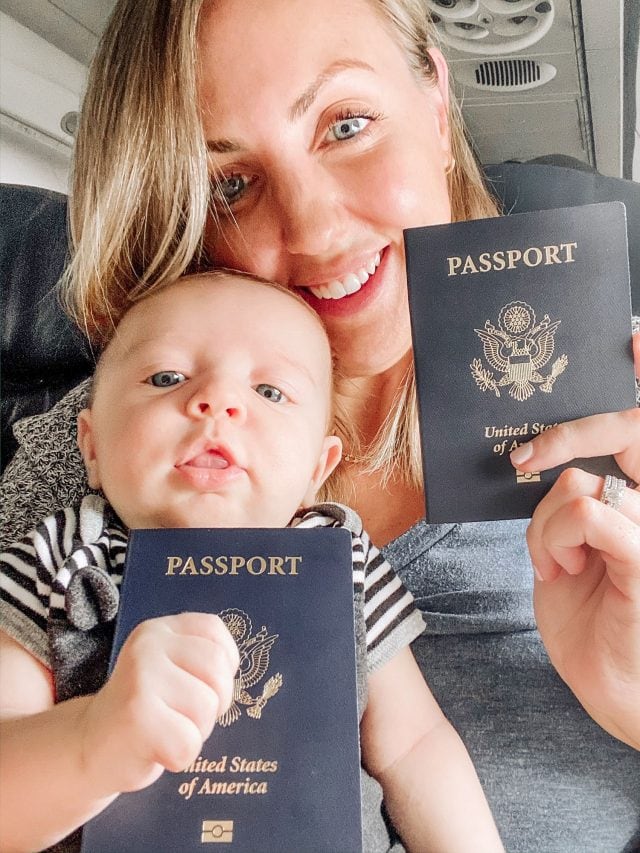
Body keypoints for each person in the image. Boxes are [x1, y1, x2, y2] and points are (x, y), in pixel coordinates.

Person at [0, 0, 638, 850]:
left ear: (435, 101)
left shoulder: (614, 412)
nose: (313, 228)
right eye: (229, 183)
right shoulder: (109, 448)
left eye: (346, 125)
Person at [0, 270, 505, 853]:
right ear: (91, 446)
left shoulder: (339, 557)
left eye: (270, 391)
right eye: (166, 378)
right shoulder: (55, 561)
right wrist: (92, 742)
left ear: (317, 470)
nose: (217, 401)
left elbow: (415, 746)